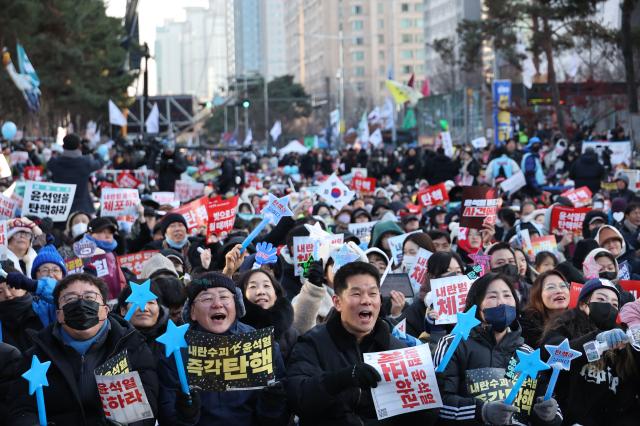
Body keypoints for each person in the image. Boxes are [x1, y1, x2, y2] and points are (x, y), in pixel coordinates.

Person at [286, 261, 439, 425]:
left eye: (373, 294)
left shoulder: (397, 349)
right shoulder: (312, 343)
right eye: (356, 294)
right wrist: (342, 379)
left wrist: (432, 395)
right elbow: (298, 397)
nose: (366, 301)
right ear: (337, 302)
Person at [8, 273, 159, 425]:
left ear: (106, 310)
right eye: (70, 299)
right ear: (59, 315)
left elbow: (145, 410)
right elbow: (22, 409)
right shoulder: (36, 356)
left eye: (90, 298)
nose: (81, 304)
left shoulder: (131, 347)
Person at [158, 272, 287, 425]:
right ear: (192, 311)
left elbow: (280, 417)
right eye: (207, 298)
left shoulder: (261, 345)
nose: (217, 304)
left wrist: (272, 406)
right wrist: (185, 416)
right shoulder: (176, 349)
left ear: (237, 305)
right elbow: (167, 412)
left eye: (224, 297)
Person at [435, 272, 562, 425]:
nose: (502, 303)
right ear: (476, 305)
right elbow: (438, 403)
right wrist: (482, 412)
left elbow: (548, 406)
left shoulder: (527, 353)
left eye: (507, 295)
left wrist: (548, 414)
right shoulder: (453, 344)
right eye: (492, 297)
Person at [541, 278, 640, 425]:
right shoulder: (564, 329)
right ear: (583, 304)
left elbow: (629, 396)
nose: (608, 306)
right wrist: (596, 341)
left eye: (614, 304)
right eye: (601, 299)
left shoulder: (623, 343)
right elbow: (550, 354)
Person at [401, 251, 466, 342]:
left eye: (459, 271)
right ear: (432, 276)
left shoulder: (472, 306)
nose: (455, 276)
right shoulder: (416, 311)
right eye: (447, 271)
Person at [237, 268, 298, 360]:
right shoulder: (233, 332)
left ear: (276, 293)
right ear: (242, 294)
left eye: (266, 285)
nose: (261, 292)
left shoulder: (291, 335)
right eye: (253, 287)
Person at [47, 134, 103, 214]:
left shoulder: (54, 163)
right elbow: (100, 162)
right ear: (79, 146)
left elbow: (49, 164)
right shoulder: (86, 162)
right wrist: (93, 152)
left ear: (63, 146)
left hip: (60, 208)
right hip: (82, 208)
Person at [520, 270, 570, 347]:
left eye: (563, 286)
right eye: (551, 287)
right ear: (538, 294)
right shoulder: (527, 325)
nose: (559, 291)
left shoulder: (579, 319)